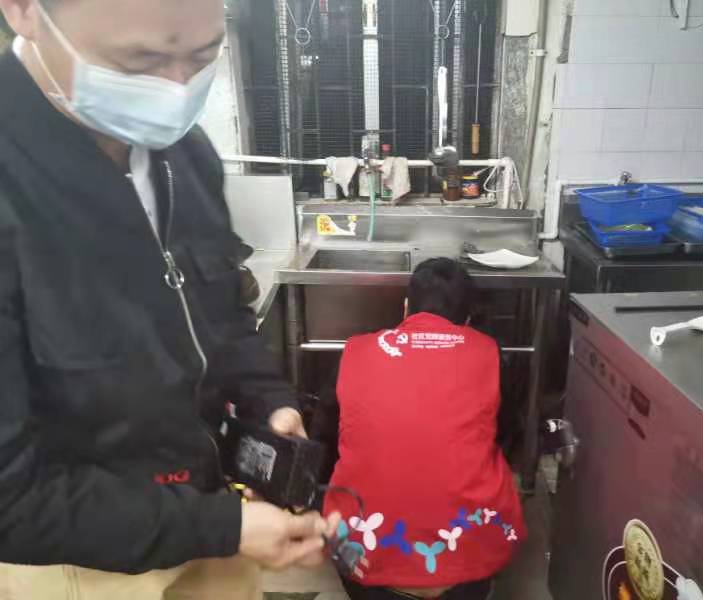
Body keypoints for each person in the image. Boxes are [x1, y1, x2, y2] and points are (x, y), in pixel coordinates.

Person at [0, 0, 338, 598]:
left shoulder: (184, 153)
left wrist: (267, 400)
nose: (175, 91)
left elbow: (221, 312)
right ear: (25, 10)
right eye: (140, 61)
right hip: (84, 564)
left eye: (203, 57)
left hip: (210, 519)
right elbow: (10, 501)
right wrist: (223, 526)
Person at [325, 258, 527, 600]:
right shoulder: (490, 354)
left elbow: (326, 437)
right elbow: (507, 434)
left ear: (406, 307)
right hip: (468, 573)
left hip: (362, 566)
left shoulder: (356, 352)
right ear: (467, 320)